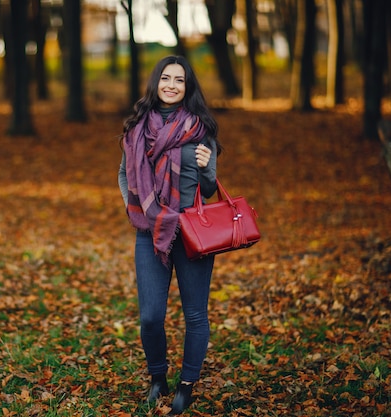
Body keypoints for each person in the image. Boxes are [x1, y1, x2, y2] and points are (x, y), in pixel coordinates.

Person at [117, 55, 221, 415]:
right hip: (151, 231)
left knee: (195, 314)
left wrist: (207, 167)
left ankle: (187, 385)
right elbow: (123, 175)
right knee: (150, 316)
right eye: (166, 78)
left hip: (193, 231)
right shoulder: (137, 128)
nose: (172, 85)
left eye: (179, 80)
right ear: (156, 82)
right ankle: (158, 377)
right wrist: (141, 208)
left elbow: (208, 189)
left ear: (187, 86)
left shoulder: (200, 128)